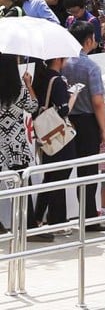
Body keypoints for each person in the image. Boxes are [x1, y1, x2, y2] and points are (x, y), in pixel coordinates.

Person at [62, 22, 105, 232]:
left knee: (59, 171)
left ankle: (57, 217)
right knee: (88, 172)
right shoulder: (90, 66)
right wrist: (102, 128)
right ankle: (89, 218)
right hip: (87, 121)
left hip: (65, 121)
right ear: (88, 40)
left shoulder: (61, 62)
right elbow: (98, 101)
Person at [27, 56, 77, 235]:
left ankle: (41, 217)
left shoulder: (41, 78)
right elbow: (64, 110)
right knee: (60, 175)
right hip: (59, 136)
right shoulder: (57, 81)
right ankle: (56, 221)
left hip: (46, 135)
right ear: (58, 59)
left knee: (51, 175)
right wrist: (73, 97)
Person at [0, 55, 39, 235]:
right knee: (23, 184)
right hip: (17, 145)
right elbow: (33, 107)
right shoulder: (18, 89)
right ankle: (28, 225)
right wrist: (29, 84)